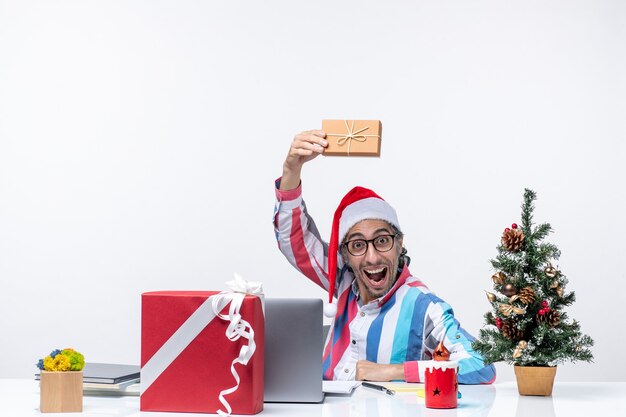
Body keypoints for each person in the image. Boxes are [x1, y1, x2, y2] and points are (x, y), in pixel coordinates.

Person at [273, 130, 496, 384]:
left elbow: (482, 363)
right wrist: (292, 169)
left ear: (399, 244)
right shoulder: (344, 280)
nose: (371, 258)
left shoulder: (422, 305)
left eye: (381, 241)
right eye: (358, 245)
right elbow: (295, 242)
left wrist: (395, 371)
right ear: (345, 254)